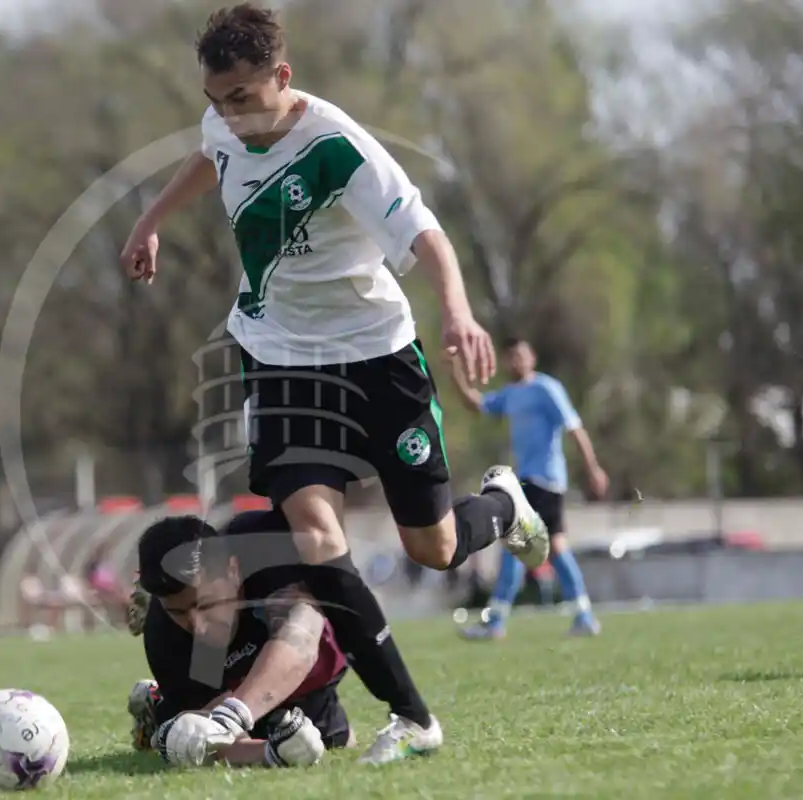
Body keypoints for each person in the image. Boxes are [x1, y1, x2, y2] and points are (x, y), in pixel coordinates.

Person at [119, 3, 548, 761]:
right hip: (280, 358)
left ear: (282, 78)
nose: (228, 115)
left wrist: (455, 311)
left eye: (243, 99)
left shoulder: (340, 149)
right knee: (320, 541)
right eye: (215, 100)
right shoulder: (226, 120)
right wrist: (149, 219)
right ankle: (413, 717)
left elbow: (425, 233)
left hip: (377, 356)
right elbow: (208, 153)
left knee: (435, 546)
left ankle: (501, 505)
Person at [127, 511, 362, 768]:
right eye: (178, 612)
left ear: (233, 571)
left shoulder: (270, 569)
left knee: (339, 742)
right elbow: (222, 739)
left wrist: (232, 716)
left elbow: (300, 644)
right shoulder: (164, 635)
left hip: (301, 677)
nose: (197, 625)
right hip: (226, 686)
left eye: (204, 604)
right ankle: (159, 705)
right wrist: (273, 754)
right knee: (188, 738)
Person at [448, 338, 608, 638]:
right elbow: (475, 403)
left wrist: (593, 468)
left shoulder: (546, 389)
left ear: (532, 358)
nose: (516, 362)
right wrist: (455, 370)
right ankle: (584, 616)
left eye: (520, 355)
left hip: (543, 480)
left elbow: (574, 428)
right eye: (511, 358)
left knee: (514, 542)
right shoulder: (511, 394)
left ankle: (495, 622)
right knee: (556, 548)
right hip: (534, 481)